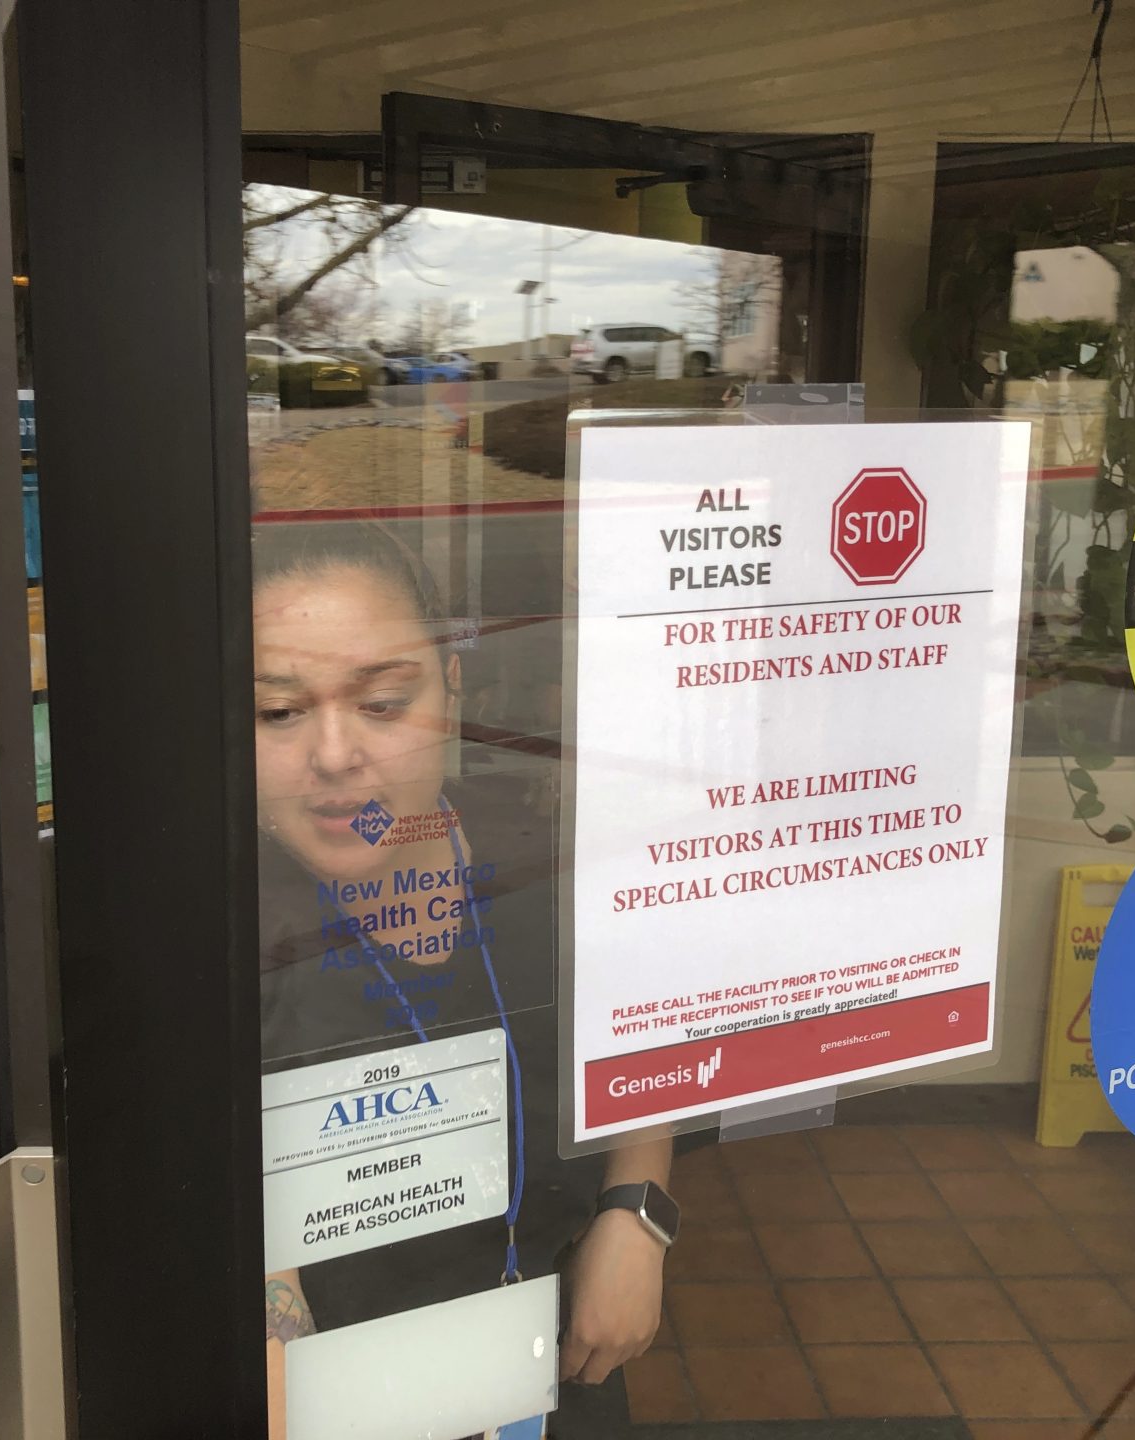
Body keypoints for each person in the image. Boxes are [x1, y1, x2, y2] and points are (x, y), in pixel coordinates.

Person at [253, 523, 673, 1438]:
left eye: (382, 702)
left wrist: (639, 1209)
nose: (332, 755)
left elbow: (640, 1024)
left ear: (452, 687)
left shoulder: (540, 867)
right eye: (279, 712)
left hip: (557, 1357)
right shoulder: (219, 931)